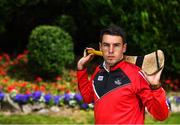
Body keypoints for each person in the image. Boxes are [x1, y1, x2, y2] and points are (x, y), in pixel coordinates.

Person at [77, 25, 169, 124]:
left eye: (116, 45)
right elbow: (87, 98)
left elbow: (161, 115)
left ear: (124, 48)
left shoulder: (136, 74)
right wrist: (81, 68)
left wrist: (156, 87)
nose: (111, 50)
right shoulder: (99, 71)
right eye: (106, 45)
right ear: (100, 47)